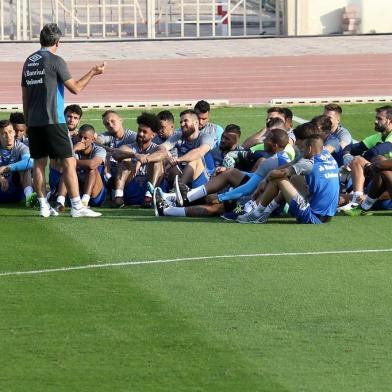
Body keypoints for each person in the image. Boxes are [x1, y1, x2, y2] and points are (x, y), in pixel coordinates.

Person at [21, 23, 105, 218]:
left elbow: (24, 96)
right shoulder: (56, 60)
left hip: (34, 122)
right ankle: (77, 206)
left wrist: (27, 121)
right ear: (57, 42)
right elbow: (75, 88)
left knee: (39, 164)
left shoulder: (28, 61)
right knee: (69, 163)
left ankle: (43, 206)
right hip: (54, 120)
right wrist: (93, 72)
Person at [153, 129, 292, 218]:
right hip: (262, 196)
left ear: (274, 145)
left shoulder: (270, 161)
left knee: (218, 206)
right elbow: (254, 179)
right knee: (230, 173)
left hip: (261, 203)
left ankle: (168, 210)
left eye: (267, 139)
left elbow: (249, 188)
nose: (264, 140)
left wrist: (223, 197)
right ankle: (182, 197)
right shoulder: (285, 155)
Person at [237, 135, 339, 224]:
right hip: (327, 216)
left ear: (309, 149)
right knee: (294, 177)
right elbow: (291, 164)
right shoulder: (327, 156)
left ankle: (257, 213)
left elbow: (281, 173)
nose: (301, 152)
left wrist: (265, 180)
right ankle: (266, 212)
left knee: (279, 179)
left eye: (302, 149)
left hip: (313, 217)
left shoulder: (308, 163)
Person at [339, 105, 392, 211]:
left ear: (390, 121)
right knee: (358, 160)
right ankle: (355, 199)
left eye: (379, 119)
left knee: (380, 161)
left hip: (386, 195)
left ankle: (360, 200)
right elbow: (353, 148)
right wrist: (347, 157)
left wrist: (366, 164)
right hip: (377, 185)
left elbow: (376, 151)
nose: (376, 121)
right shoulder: (377, 137)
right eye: (376, 118)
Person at [109, 112, 165, 207]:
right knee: (124, 159)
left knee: (157, 161)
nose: (140, 134)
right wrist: (135, 155)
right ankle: (118, 197)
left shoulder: (157, 148)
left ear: (153, 135)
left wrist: (144, 159)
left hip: (149, 187)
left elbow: (163, 153)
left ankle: (149, 197)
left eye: (144, 132)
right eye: (139, 130)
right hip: (130, 188)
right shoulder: (129, 147)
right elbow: (116, 154)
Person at [55, 124, 107, 211]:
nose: (81, 140)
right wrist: (74, 149)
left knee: (92, 170)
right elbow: (60, 162)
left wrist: (72, 162)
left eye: (85, 138)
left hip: (95, 194)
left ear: (93, 139)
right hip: (76, 192)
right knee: (67, 169)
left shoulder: (99, 150)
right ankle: (60, 202)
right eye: (80, 137)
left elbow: (92, 164)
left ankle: (84, 202)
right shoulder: (72, 149)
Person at [0, 120, 36, 206]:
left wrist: (6, 168)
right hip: (1, 190)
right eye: (4, 133)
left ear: (13, 133)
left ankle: (29, 198)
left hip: (18, 191)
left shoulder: (21, 147)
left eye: (10, 132)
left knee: (25, 167)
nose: (9, 136)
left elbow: (29, 162)